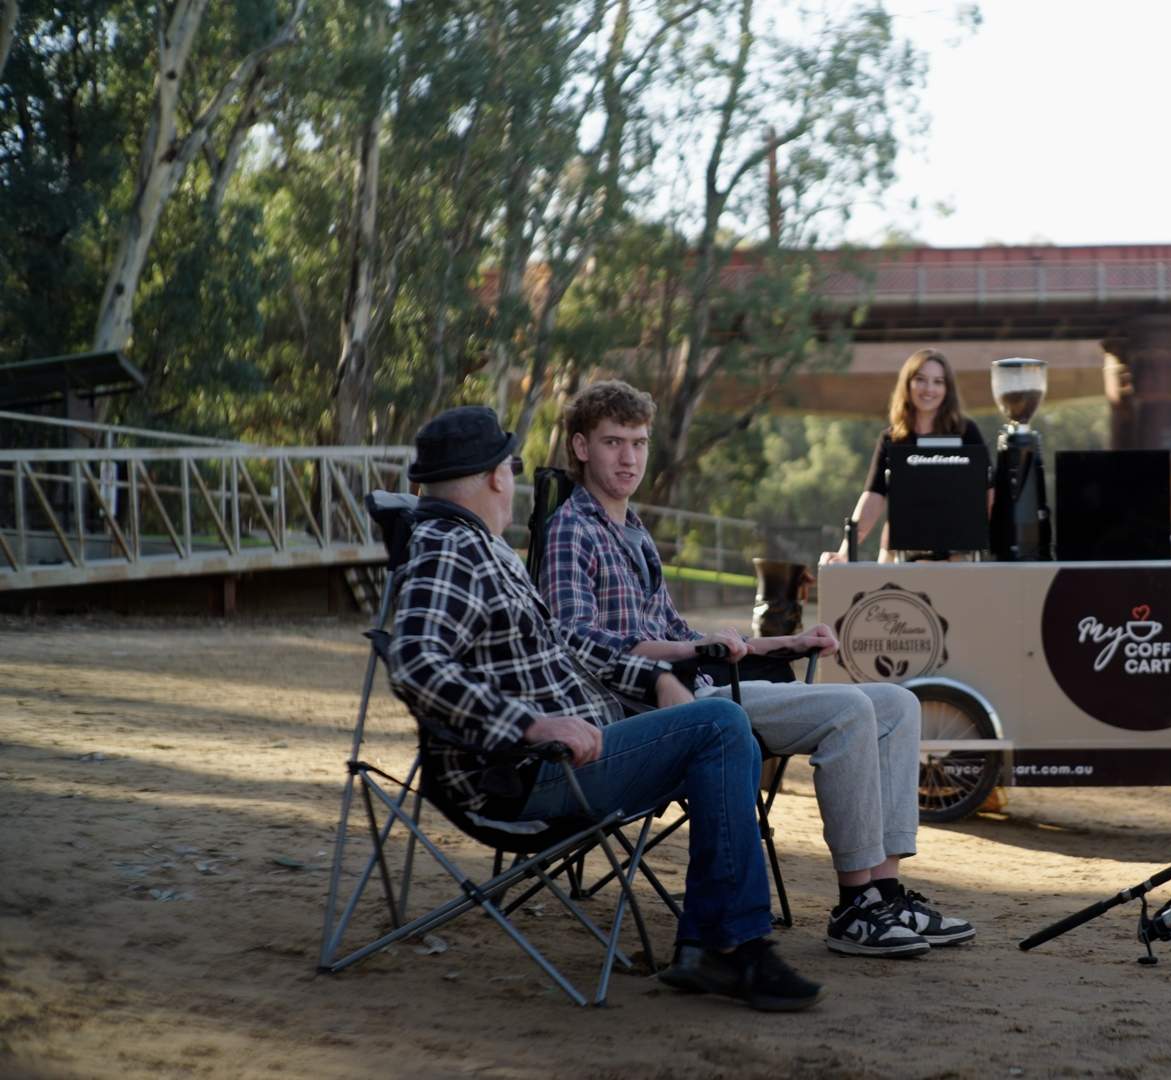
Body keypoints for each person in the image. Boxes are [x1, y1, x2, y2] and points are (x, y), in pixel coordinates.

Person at [385, 405, 823, 1010]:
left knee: (724, 728)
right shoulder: (450, 550)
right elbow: (416, 662)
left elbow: (566, 645)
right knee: (723, 724)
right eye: (508, 469)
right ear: (494, 478)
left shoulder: (483, 550)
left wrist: (656, 676)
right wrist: (532, 724)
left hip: (577, 748)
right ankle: (728, 945)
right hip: (528, 773)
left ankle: (712, 945)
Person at [540, 381, 976, 957]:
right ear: (579, 447)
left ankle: (884, 892)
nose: (629, 458)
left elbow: (680, 634)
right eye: (613, 442)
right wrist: (686, 654)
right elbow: (574, 640)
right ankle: (854, 908)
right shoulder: (572, 528)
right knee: (849, 710)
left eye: (639, 443)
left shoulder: (632, 529)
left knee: (899, 703)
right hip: (648, 710)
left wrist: (780, 642)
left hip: (703, 686)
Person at [821, 348, 987, 564]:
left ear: (947, 389)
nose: (929, 389)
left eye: (938, 381)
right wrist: (844, 552)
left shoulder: (966, 432)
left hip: (956, 553)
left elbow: (987, 492)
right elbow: (873, 496)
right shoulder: (892, 438)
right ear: (908, 384)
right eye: (921, 380)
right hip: (898, 552)